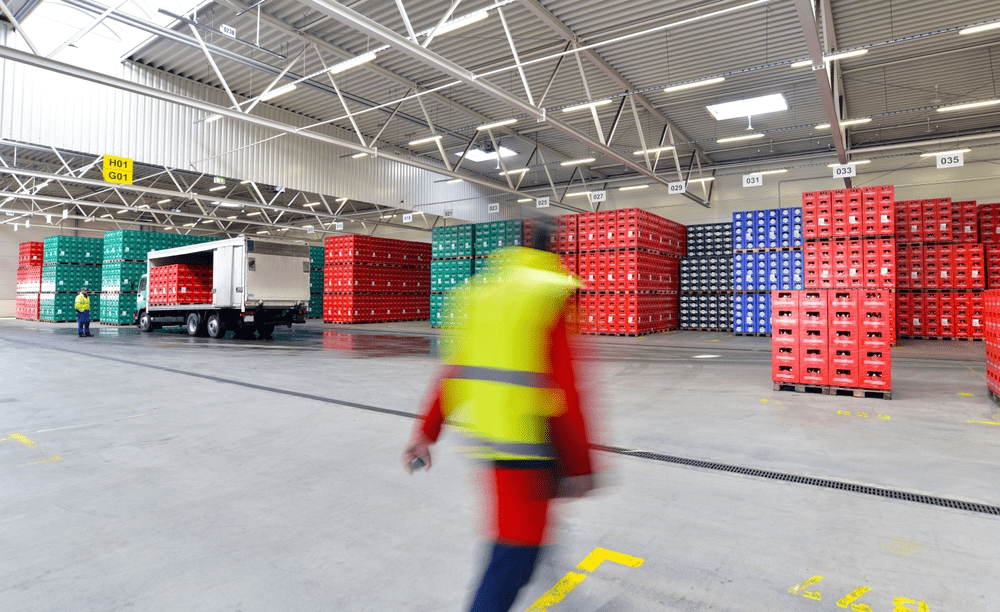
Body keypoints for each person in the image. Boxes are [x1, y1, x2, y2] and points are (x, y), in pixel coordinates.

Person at [401, 220, 597, 612]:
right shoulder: (548, 295)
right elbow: (567, 391)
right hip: (534, 451)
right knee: (511, 560)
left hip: (492, 446)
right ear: (555, 252)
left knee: (519, 549)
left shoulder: (481, 294)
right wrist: (580, 465)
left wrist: (425, 432)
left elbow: (455, 372)